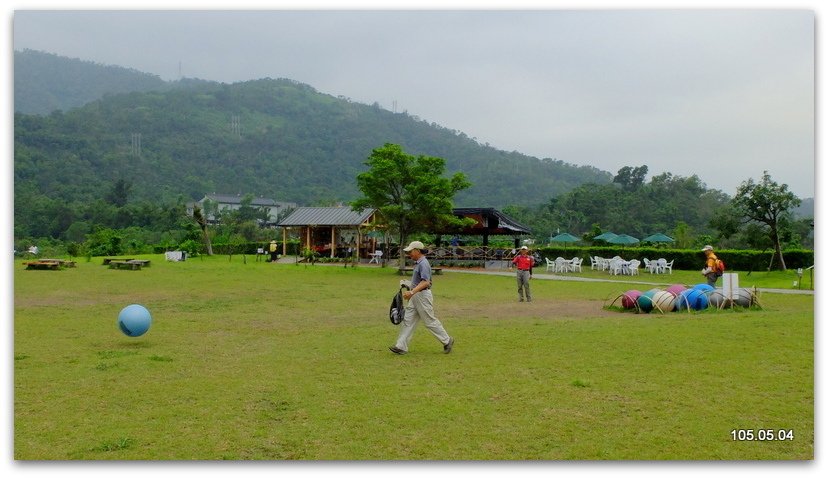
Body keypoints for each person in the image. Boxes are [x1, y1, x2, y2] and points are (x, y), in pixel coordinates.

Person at [389, 241, 454, 355]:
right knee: (408, 320)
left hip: (422, 296)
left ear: (417, 251)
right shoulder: (419, 263)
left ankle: (447, 340)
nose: (409, 254)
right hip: (416, 296)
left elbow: (425, 282)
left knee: (429, 321)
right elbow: (419, 282)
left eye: (411, 251)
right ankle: (401, 346)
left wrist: (412, 291)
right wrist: (408, 284)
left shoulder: (423, 264)